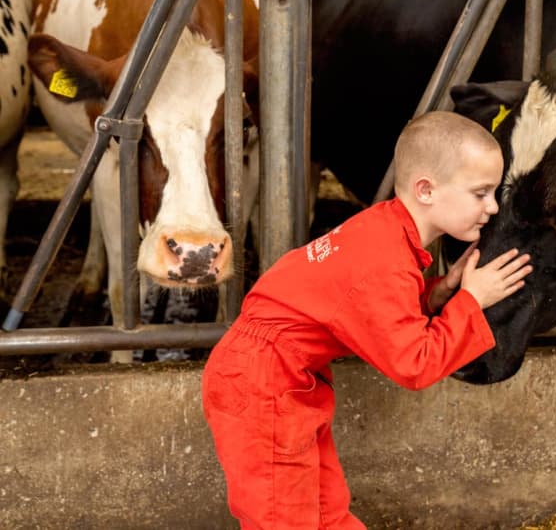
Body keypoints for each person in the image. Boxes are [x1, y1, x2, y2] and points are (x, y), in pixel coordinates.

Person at [201, 110, 533, 529]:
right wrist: (471, 300)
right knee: (284, 520)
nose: (493, 207)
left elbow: (374, 308)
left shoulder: (385, 231)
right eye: (480, 193)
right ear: (426, 190)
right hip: (262, 383)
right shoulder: (385, 259)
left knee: (325, 511)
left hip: (281, 377)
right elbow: (414, 363)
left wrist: (439, 294)